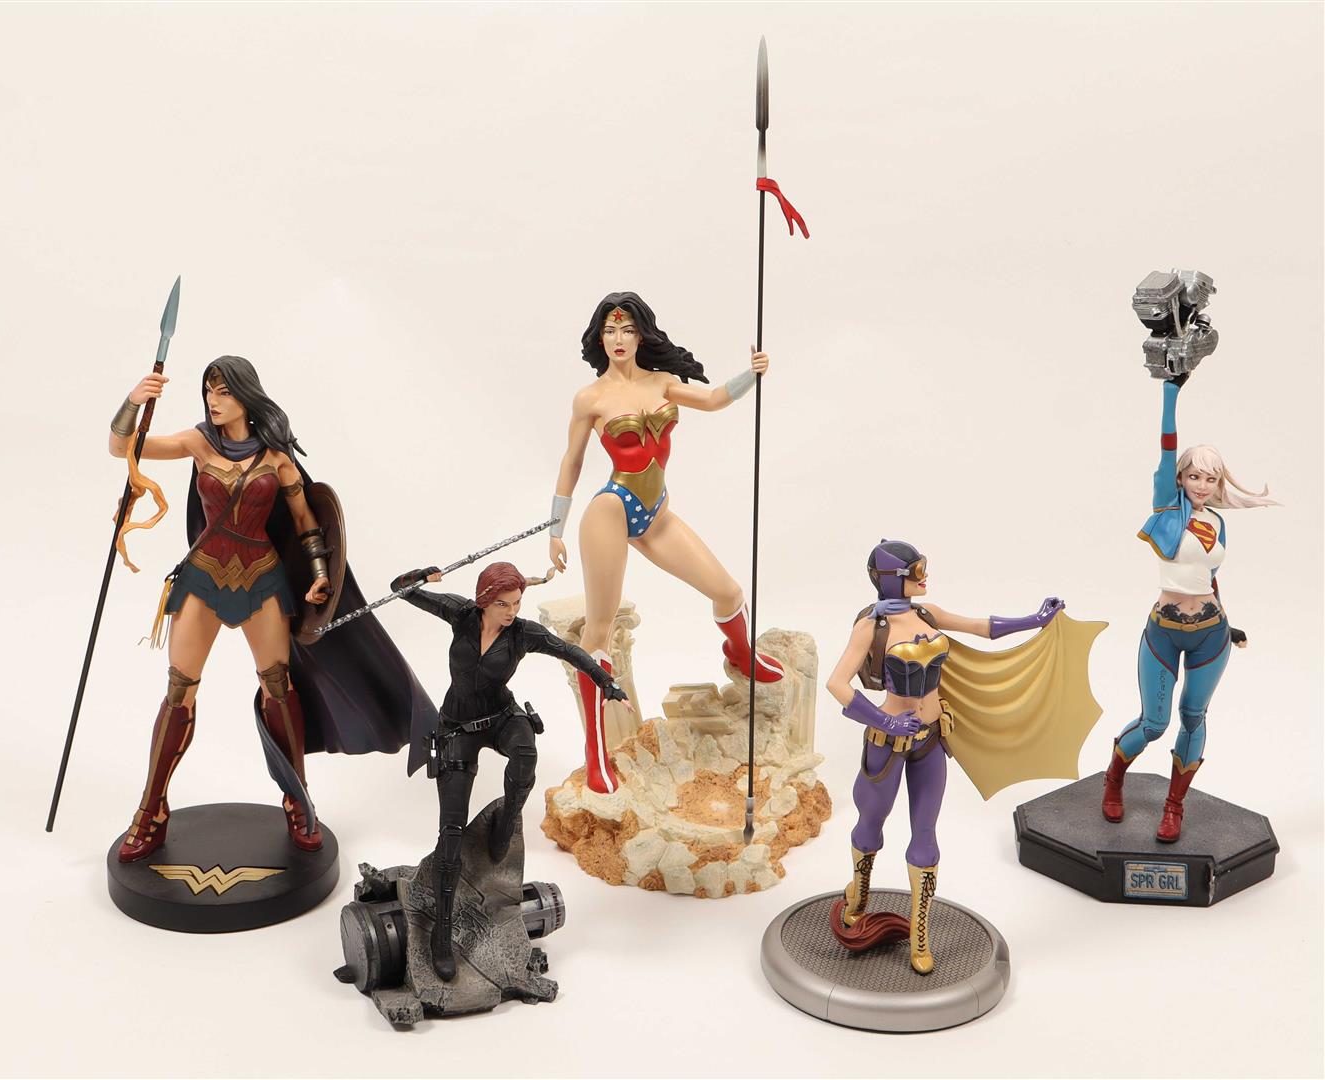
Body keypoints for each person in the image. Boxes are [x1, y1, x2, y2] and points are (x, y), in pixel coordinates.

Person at [109, 356, 433, 862]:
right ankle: (152, 809)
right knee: (178, 691)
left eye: (223, 391)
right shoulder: (197, 442)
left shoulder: (277, 457)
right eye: (209, 391)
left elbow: (307, 523)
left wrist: (321, 575)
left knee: (278, 688)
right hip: (203, 578)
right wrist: (135, 400)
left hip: (262, 579)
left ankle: (297, 800)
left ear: (245, 395)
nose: (214, 401)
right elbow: (123, 447)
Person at [546, 291, 780, 794]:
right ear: (599, 338)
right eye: (610, 330)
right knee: (600, 630)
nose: (619, 339)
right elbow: (572, 461)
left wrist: (751, 374)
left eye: (628, 329)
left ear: (641, 335)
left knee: (728, 592)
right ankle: (596, 753)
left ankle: (741, 653)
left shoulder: (664, 383)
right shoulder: (590, 398)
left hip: (656, 514)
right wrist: (555, 529)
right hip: (611, 512)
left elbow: (714, 400)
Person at [825, 540, 1067, 974]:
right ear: (893, 577)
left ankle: (919, 934)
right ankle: (859, 895)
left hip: (931, 739)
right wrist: (887, 721)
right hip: (886, 744)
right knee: (871, 825)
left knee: (925, 835)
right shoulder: (871, 627)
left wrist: (1035, 619)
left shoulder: (927, 614)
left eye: (923, 569)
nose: (924, 577)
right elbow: (837, 684)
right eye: (917, 571)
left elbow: (979, 627)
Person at [391, 560, 630, 982]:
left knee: (524, 753)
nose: (512, 611)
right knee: (450, 836)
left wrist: (605, 682)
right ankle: (442, 933)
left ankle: (506, 823)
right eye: (504, 603)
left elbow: (569, 651)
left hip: (502, 717)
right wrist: (421, 576)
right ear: (485, 600)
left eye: (517, 602)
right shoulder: (461, 614)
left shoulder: (521, 634)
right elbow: (401, 589)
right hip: (457, 727)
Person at [1100, 372, 1276, 841]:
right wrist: (1170, 391)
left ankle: (1174, 807)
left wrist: (1230, 624)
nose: (1202, 484)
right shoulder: (1167, 507)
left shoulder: (1216, 521)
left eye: (1210, 478)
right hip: (1164, 629)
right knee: (1154, 723)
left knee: (1194, 717)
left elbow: (1210, 577)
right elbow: (1166, 448)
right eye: (1194, 475)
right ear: (1181, 477)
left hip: (1211, 633)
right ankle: (1113, 780)